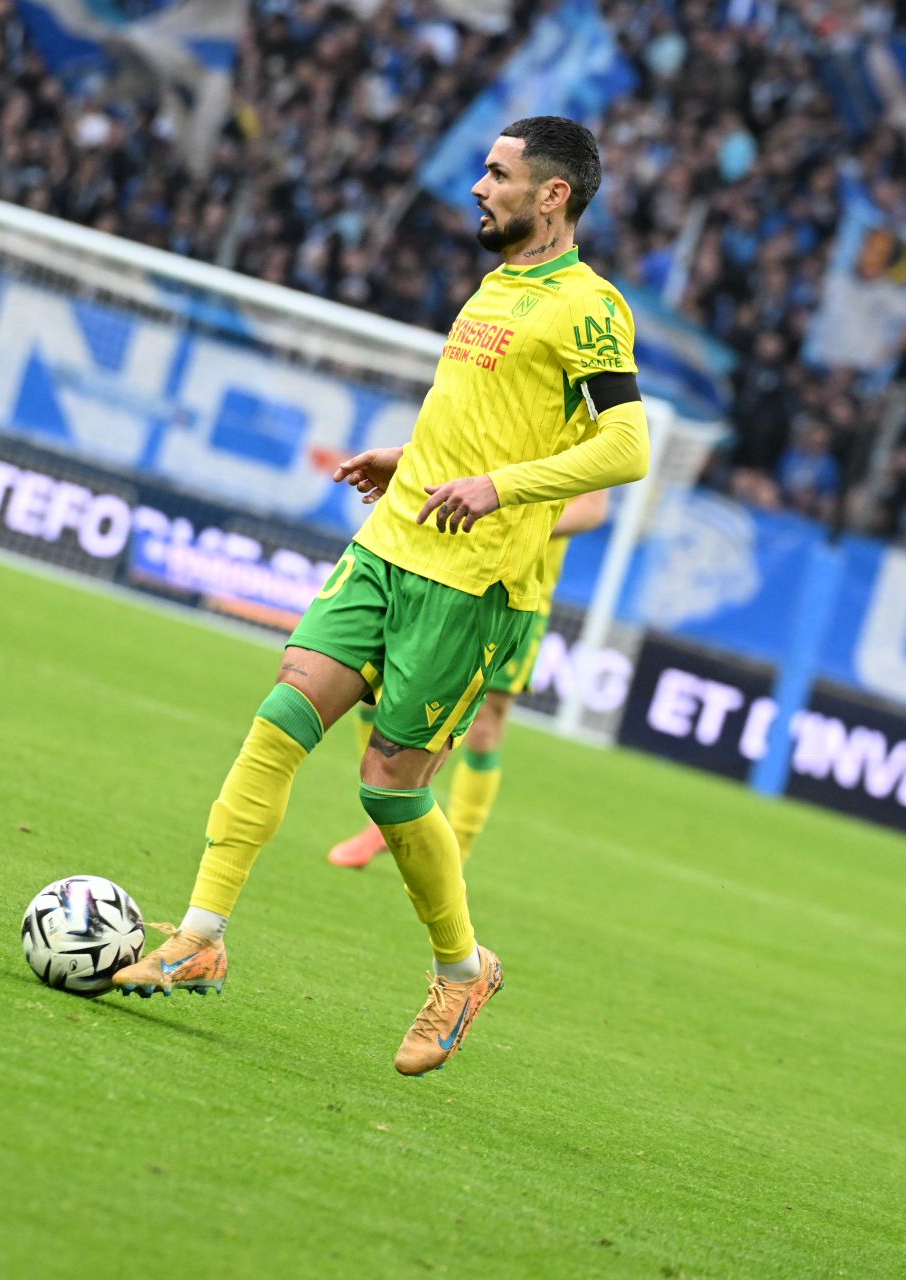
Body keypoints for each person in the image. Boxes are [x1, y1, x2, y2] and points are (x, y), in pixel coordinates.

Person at [109, 117, 650, 1076]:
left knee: (389, 788)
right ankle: (199, 934)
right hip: (390, 544)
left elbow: (627, 447)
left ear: (553, 195)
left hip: (469, 579)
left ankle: (461, 968)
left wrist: (499, 488)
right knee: (279, 718)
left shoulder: (588, 306)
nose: (479, 187)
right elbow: (489, 416)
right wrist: (416, 459)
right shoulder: (499, 285)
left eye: (499, 173)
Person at [325, 487, 610, 871]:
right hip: (439, 568)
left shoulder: (586, 427)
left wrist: (515, 524)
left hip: (517, 594)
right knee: (379, 689)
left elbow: (592, 508)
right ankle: (384, 820)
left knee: (483, 726)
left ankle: (452, 858)